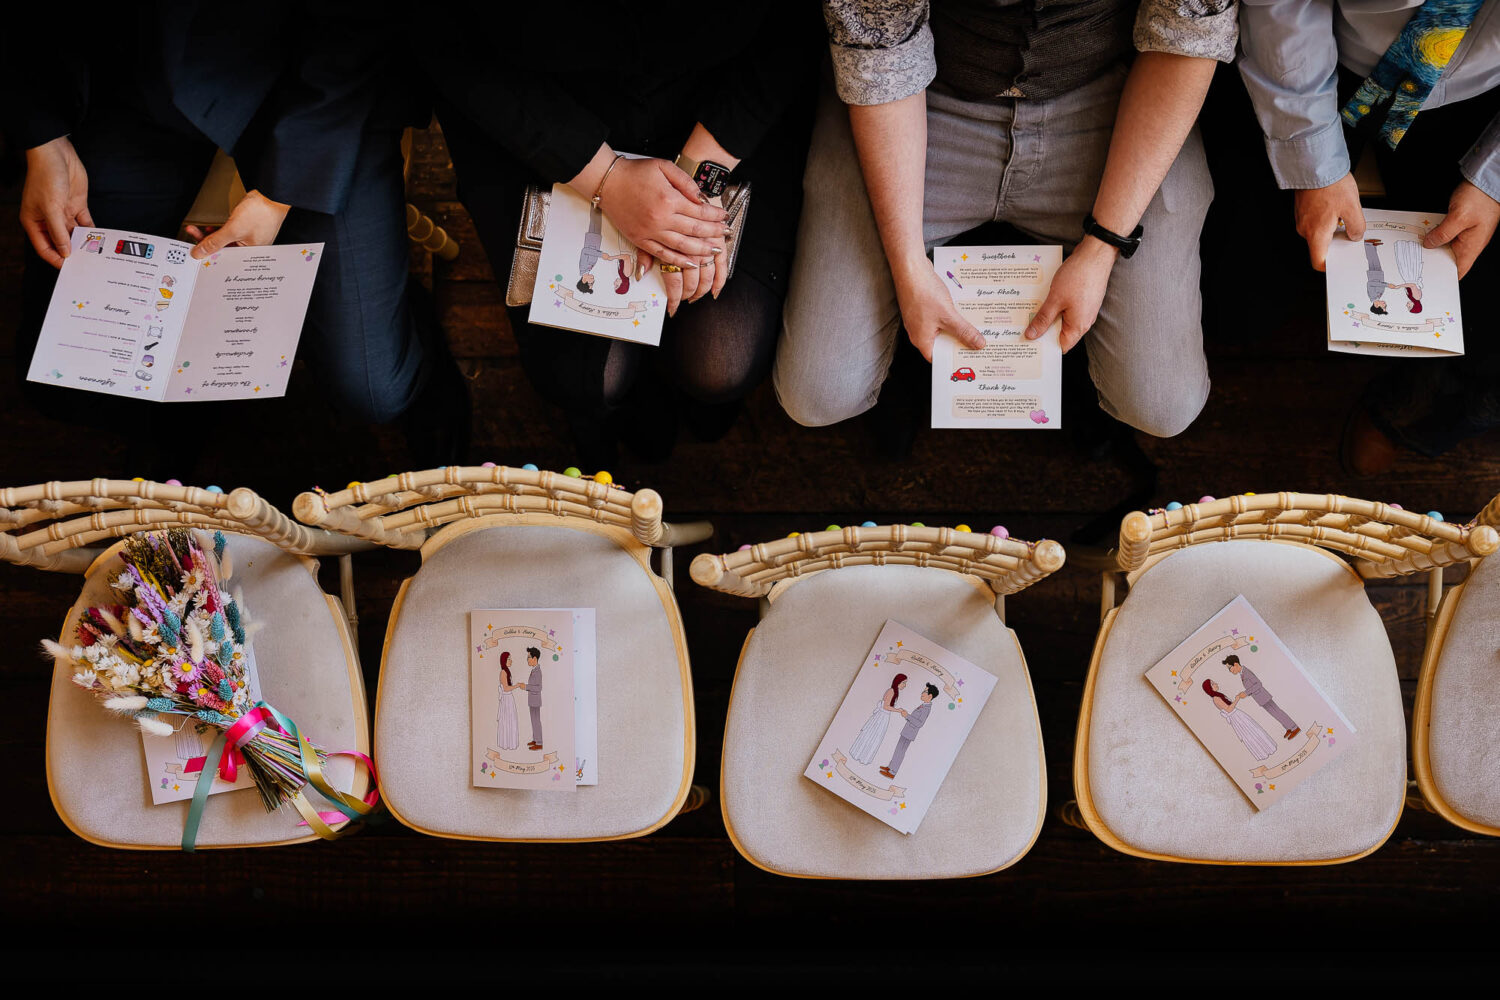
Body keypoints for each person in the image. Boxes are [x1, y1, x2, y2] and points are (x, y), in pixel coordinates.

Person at [5, 6, 468, 474]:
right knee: (65, 373)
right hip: (127, 78)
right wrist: (43, 138)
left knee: (372, 389)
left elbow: (360, 24)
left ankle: (402, 320)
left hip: (318, 90)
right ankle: (181, 409)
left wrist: (278, 196)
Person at [775, 0, 1239, 439]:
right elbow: (879, 51)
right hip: (921, 97)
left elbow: (1187, 33)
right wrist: (908, 267)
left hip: (1111, 99)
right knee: (818, 393)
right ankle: (911, 377)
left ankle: (1077, 385)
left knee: (1161, 404)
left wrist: (1102, 247)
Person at [422, 5, 821, 468]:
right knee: (589, 376)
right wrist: (604, 178)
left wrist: (695, 184)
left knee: (720, 359)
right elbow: (440, 38)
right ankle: (619, 405)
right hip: (540, 110)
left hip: (721, 108)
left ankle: (687, 391)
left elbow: (800, 21)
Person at [1238, 0, 1500, 474]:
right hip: (1326, 58)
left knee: (1487, 302)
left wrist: (1493, 181)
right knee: (1245, 298)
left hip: (1481, 94)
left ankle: (1413, 410)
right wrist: (1314, 162)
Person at [1223, 654, 1300, 740]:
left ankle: (1294, 727)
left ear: (1236, 664)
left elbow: (1258, 684)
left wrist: (1246, 693)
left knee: (1277, 712)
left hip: (1263, 696)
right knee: (1275, 713)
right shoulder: (1242, 674)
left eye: (1230, 668)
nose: (1230, 671)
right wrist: (1246, 693)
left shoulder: (1246, 672)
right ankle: (1288, 727)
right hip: (1260, 698)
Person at [1202, 678, 1276, 761]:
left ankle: (1268, 748)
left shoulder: (1218, 695)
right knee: (1250, 733)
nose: (1216, 683)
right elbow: (1229, 709)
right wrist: (1237, 699)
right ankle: (1263, 752)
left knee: (1254, 730)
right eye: (1213, 684)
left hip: (1237, 715)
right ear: (1209, 688)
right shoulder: (1216, 698)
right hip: (1236, 717)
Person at [881, 682, 938, 780]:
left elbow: (920, 723)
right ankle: (890, 767)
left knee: (901, 751)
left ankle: (893, 772)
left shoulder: (926, 708)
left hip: (910, 733)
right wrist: (906, 716)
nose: (922, 693)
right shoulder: (923, 705)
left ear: (930, 696)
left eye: (924, 692)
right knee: (898, 749)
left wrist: (907, 715)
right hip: (907, 731)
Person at [850, 673, 907, 765]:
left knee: (876, 738)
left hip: (885, 717)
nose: (905, 685)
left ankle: (864, 757)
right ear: (898, 682)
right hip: (881, 717)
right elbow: (885, 706)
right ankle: (859, 754)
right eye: (903, 682)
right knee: (872, 735)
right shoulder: (891, 691)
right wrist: (898, 710)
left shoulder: (895, 692)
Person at [518, 646, 545, 751]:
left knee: (536, 721)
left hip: (535, 701)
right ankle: (535, 739)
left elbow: (539, 688)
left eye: (528, 657)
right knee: (534, 721)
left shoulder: (538, 671)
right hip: (532, 700)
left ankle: (539, 742)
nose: (527, 660)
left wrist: (526, 687)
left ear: (534, 658)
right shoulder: (534, 670)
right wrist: (525, 686)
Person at [496, 651, 520, 751]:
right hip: (506, 700)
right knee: (507, 721)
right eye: (509, 659)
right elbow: (506, 688)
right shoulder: (503, 672)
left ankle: (510, 743)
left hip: (509, 699)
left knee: (511, 721)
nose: (511, 661)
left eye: (510, 659)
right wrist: (517, 685)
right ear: (504, 660)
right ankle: (506, 743)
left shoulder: (507, 671)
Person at [1364, 239, 1391, 313]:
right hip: (1378, 275)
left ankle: (1367, 245)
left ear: (1376, 305)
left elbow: (1370, 284)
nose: (1385, 304)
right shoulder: (1378, 296)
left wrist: (1387, 285)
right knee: (1375, 260)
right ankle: (1372, 247)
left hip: (1374, 275)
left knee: (1372, 260)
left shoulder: (1372, 296)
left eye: (1384, 306)